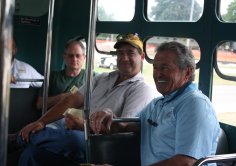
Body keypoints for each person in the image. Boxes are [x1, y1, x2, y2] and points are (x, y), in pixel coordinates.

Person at [10, 33, 155, 165]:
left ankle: (18, 139)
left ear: (142, 57)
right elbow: (73, 100)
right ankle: (24, 139)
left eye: (130, 53)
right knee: (32, 154)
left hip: (99, 142)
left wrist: (84, 126)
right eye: (120, 53)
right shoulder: (102, 78)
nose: (124, 58)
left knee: (73, 140)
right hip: (75, 132)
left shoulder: (142, 89)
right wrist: (41, 122)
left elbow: (123, 129)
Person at [89, 41, 221, 166]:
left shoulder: (194, 104)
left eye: (165, 68)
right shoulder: (157, 104)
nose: (158, 74)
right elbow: (126, 127)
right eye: (155, 68)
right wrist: (109, 116)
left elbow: (186, 162)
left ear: (187, 72)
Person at [36, 37, 88, 129]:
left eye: (78, 55)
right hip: (53, 121)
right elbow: (39, 104)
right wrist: (62, 98)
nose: (74, 59)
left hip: (77, 122)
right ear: (64, 56)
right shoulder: (53, 76)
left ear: (84, 57)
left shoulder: (91, 78)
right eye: (71, 55)